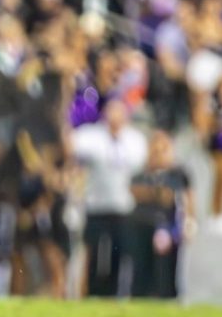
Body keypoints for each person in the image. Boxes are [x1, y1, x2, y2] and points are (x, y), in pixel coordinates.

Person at [71, 99, 147, 297]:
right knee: (93, 252)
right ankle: (90, 292)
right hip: (95, 206)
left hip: (122, 207)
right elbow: (71, 150)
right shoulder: (91, 136)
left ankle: (114, 294)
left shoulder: (134, 140)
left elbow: (139, 169)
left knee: (119, 252)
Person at [129, 130, 194, 298]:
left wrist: (190, 221)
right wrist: (159, 191)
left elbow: (183, 198)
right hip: (142, 223)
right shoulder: (141, 172)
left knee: (167, 270)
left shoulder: (178, 174)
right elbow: (137, 193)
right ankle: (141, 297)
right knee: (141, 268)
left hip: (169, 226)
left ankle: (168, 297)